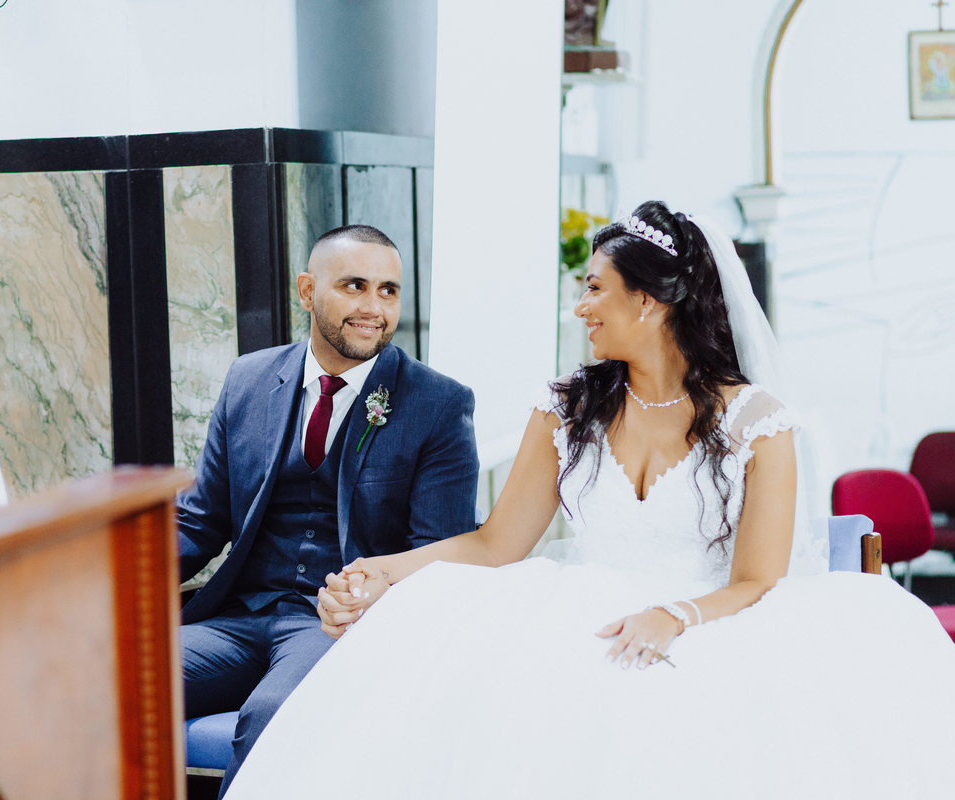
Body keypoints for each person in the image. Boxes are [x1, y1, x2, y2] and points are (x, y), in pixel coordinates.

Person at [223, 202, 955, 799]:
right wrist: (386, 569)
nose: (581, 308)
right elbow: (493, 545)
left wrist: (675, 617)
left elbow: (758, 581)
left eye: (596, 289)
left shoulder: (759, 422)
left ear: (650, 299)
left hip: (712, 623)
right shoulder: (566, 407)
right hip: (577, 616)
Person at [177, 223, 479, 795]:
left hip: (340, 628)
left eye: (388, 290)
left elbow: (441, 554)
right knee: (103, 681)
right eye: (354, 286)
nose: (374, 308)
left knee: (276, 720)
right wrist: (108, 586)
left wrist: (371, 592)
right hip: (237, 618)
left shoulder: (437, 403)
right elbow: (200, 521)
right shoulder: (249, 378)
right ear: (307, 290)